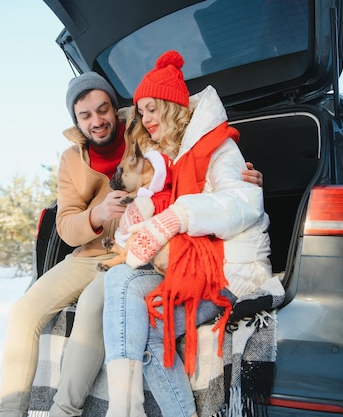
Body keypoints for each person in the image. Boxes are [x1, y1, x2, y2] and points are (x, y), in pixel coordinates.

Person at [0, 71, 264, 417]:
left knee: (96, 298)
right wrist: (97, 214)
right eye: (85, 115)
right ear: (76, 121)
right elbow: (64, 226)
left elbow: (190, 163)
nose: (97, 120)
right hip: (90, 251)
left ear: (115, 108)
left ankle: (65, 409)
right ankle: (8, 411)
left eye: (103, 109)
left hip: (139, 250)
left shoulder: (143, 131)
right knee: (22, 312)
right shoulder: (71, 160)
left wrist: (245, 182)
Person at [102, 50, 284, 417]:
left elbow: (243, 202)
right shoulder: (173, 157)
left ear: (171, 105)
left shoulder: (218, 147)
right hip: (193, 267)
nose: (145, 119)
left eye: (151, 109)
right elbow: (150, 221)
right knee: (120, 277)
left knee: (145, 315)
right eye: (141, 112)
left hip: (231, 270)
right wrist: (136, 219)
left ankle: (130, 410)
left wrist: (173, 218)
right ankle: (124, 407)